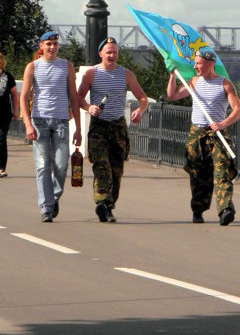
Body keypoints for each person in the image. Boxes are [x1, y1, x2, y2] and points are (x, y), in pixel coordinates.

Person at [77, 36, 148, 222]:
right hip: (99, 126)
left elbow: (142, 98)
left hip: (118, 127)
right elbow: (78, 98)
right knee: (101, 165)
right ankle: (100, 201)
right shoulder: (91, 74)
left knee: (117, 170)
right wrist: (88, 107)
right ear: (101, 53)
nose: (112, 55)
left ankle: (109, 206)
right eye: (108, 52)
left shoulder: (126, 74)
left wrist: (140, 110)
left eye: (115, 52)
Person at [166, 47, 240, 225]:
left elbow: (237, 110)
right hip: (197, 134)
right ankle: (198, 209)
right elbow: (172, 95)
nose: (195, 67)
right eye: (195, 63)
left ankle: (225, 210)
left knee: (222, 171)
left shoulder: (225, 84)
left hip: (216, 134)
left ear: (210, 64)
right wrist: (172, 75)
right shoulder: (193, 82)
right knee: (199, 175)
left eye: (198, 64)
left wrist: (223, 123)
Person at [20, 31, 82, 222]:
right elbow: (23, 97)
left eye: (55, 44)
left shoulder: (67, 66)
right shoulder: (33, 67)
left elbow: (74, 97)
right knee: (42, 166)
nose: (52, 47)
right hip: (39, 121)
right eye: (48, 44)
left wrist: (78, 128)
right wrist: (28, 124)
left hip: (61, 122)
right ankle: (46, 208)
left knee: (62, 166)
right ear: (41, 46)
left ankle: (53, 197)